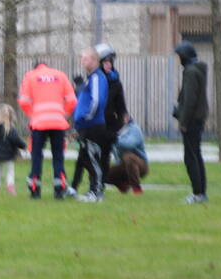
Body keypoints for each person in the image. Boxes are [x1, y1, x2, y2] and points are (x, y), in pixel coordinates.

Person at [18, 61, 77, 199]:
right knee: (58, 157)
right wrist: (64, 114)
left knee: (36, 156)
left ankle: (35, 189)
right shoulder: (61, 75)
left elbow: (23, 101)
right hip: (58, 122)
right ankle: (59, 189)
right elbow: (72, 100)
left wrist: (33, 114)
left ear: (36, 67)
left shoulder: (30, 76)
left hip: (39, 123)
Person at [72, 47, 110, 203]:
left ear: (95, 60)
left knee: (92, 158)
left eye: (86, 58)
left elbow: (97, 100)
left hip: (92, 125)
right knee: (85, 157)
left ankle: (96, 192)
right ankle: (91, 190)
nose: (83, 60)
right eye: (82, 57)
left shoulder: (96, 77)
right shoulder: (89, 78)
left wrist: (87, 117)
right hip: (85, 125)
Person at [173, 41, 209, 204]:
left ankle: (197, 193)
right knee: (197, 155)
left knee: (191, 158)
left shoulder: (190, 72)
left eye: (180, 56)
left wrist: (183, 121)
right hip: (198, 118)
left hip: (192, 120)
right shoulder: (198, 70)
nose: (179, 58)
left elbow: (189, 100)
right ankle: (201, 192)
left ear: (185, 56)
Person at [0, 104, 27, 195]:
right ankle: (10, 187)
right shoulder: (10, 129)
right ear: (11, 116)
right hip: (9, 155)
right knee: (10, 171)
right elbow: (16, 140)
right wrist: (24, 146)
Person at [105, 116, 149, 194]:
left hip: (141, 165)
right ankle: (123, 186)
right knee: (100, 173)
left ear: (127, 118)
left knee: (128, 156)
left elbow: (129, 144)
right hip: (122, 166)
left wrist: (114, 138)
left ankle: (137, 189)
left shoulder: (134, 129)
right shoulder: (113, 131)